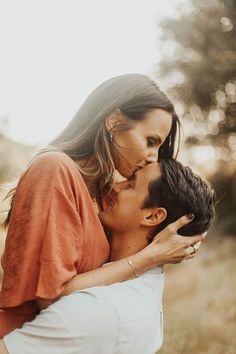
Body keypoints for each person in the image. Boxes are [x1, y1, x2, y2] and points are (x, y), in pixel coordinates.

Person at [0, 74, 205, 337]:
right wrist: (149, 258)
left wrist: (182, 239)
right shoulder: (55, 170)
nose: (154, 157)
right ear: (115, 122)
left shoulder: (106, 192)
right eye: (150, 141)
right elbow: (53, 298)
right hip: (25, 340)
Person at [0, 160, 215, 354]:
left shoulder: (100, 311)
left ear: (152, 215)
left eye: (130, 185)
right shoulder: (139, 287)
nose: (116, 187)